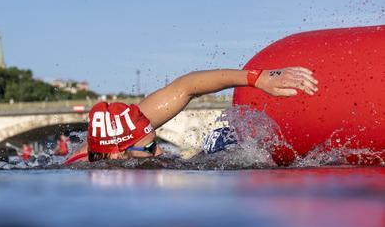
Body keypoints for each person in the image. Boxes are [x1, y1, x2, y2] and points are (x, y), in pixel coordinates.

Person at [65, 67, 318, 163]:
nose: (160, 152)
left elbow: (186, 87)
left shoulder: (117, 132)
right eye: (152, 147)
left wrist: (257, 78)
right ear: (118, 154)